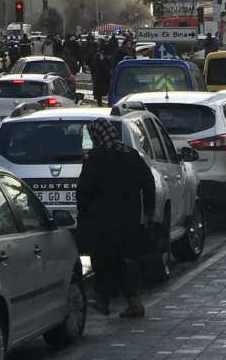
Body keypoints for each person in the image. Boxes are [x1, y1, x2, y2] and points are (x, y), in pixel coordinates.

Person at [77, 118, 155, 318]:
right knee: (116, 260)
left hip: (102, 221)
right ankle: (129, 302)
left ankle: (105, 298)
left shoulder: (96, 158)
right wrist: (148, 213)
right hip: (128, 220)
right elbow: (148, 183)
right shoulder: (130, 154)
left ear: (96, 136)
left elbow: (83, 191)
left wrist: (83, 216)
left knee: (103, 258)